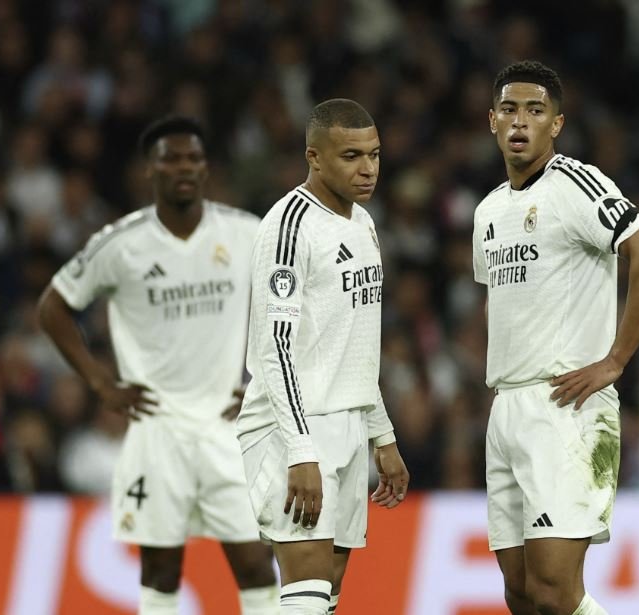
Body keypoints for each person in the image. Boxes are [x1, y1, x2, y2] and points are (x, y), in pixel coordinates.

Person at [37, 116, 278, 614]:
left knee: (256, 561)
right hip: (156, 428)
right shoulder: (122, 243)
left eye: (193, 157)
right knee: (162, 569)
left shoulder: (246, 232)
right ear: (150, 169)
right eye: (171, 158)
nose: (184, 167)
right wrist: (100, 382)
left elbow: (290, 301)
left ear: (206, 167)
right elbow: (52, 307)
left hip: (225, 428)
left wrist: (265, 379)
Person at [473, 61, 639, 615]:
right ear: (492, 120)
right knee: (520, 595)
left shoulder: (575, 185)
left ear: (557, 124)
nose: (521, 122)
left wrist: (614, 362)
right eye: (510, 110)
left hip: (568, 406)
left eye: (535, 111)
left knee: (553, 590)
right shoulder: (488, 211)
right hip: (508, 409)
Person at [237, 98, 410, 615]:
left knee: (324, 599)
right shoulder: (289, 227)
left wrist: (382, 435)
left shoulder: (363, 224)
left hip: (350, 425)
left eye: (375, 155)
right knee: (307, 594)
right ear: (314, 157)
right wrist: (301, 449)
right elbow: (276, 350)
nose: (368, 169)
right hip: (292, 427)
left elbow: (355, 345)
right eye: (351, 156)